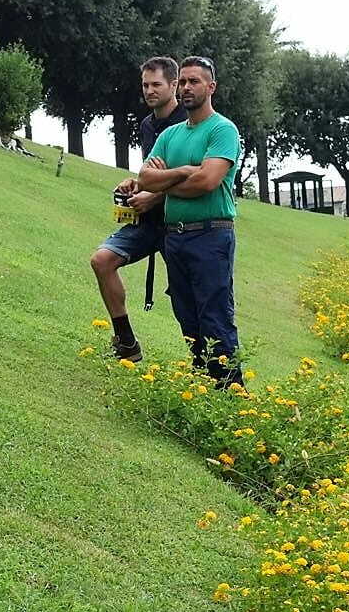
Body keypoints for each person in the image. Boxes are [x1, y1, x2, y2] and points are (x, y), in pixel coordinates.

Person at [136, 56, 243, 385]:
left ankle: (232, 395)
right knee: (187, 317)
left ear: (210, 87)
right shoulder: (170, 135)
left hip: (211, 237)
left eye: (193, 81)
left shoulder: (223, 130)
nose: (185, 87)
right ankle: (205, 386)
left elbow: (206, 182)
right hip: (176, 238)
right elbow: (144, 178)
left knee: (215, 318)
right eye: (182, 81)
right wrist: (183, 171)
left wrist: (165, 181)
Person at [89, 56, 188, 361]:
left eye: (156, 84)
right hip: (147, 223)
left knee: (186, 298)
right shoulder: (147, 124)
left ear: (173, 84)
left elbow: (193, 175)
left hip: (180, 223)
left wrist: (155, 195)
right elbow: (154, 172)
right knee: (101, 261)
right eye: (145, 85)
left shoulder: (190, 122)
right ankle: (126, 342)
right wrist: (136, 184)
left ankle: (207, 365)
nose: (149, 90)